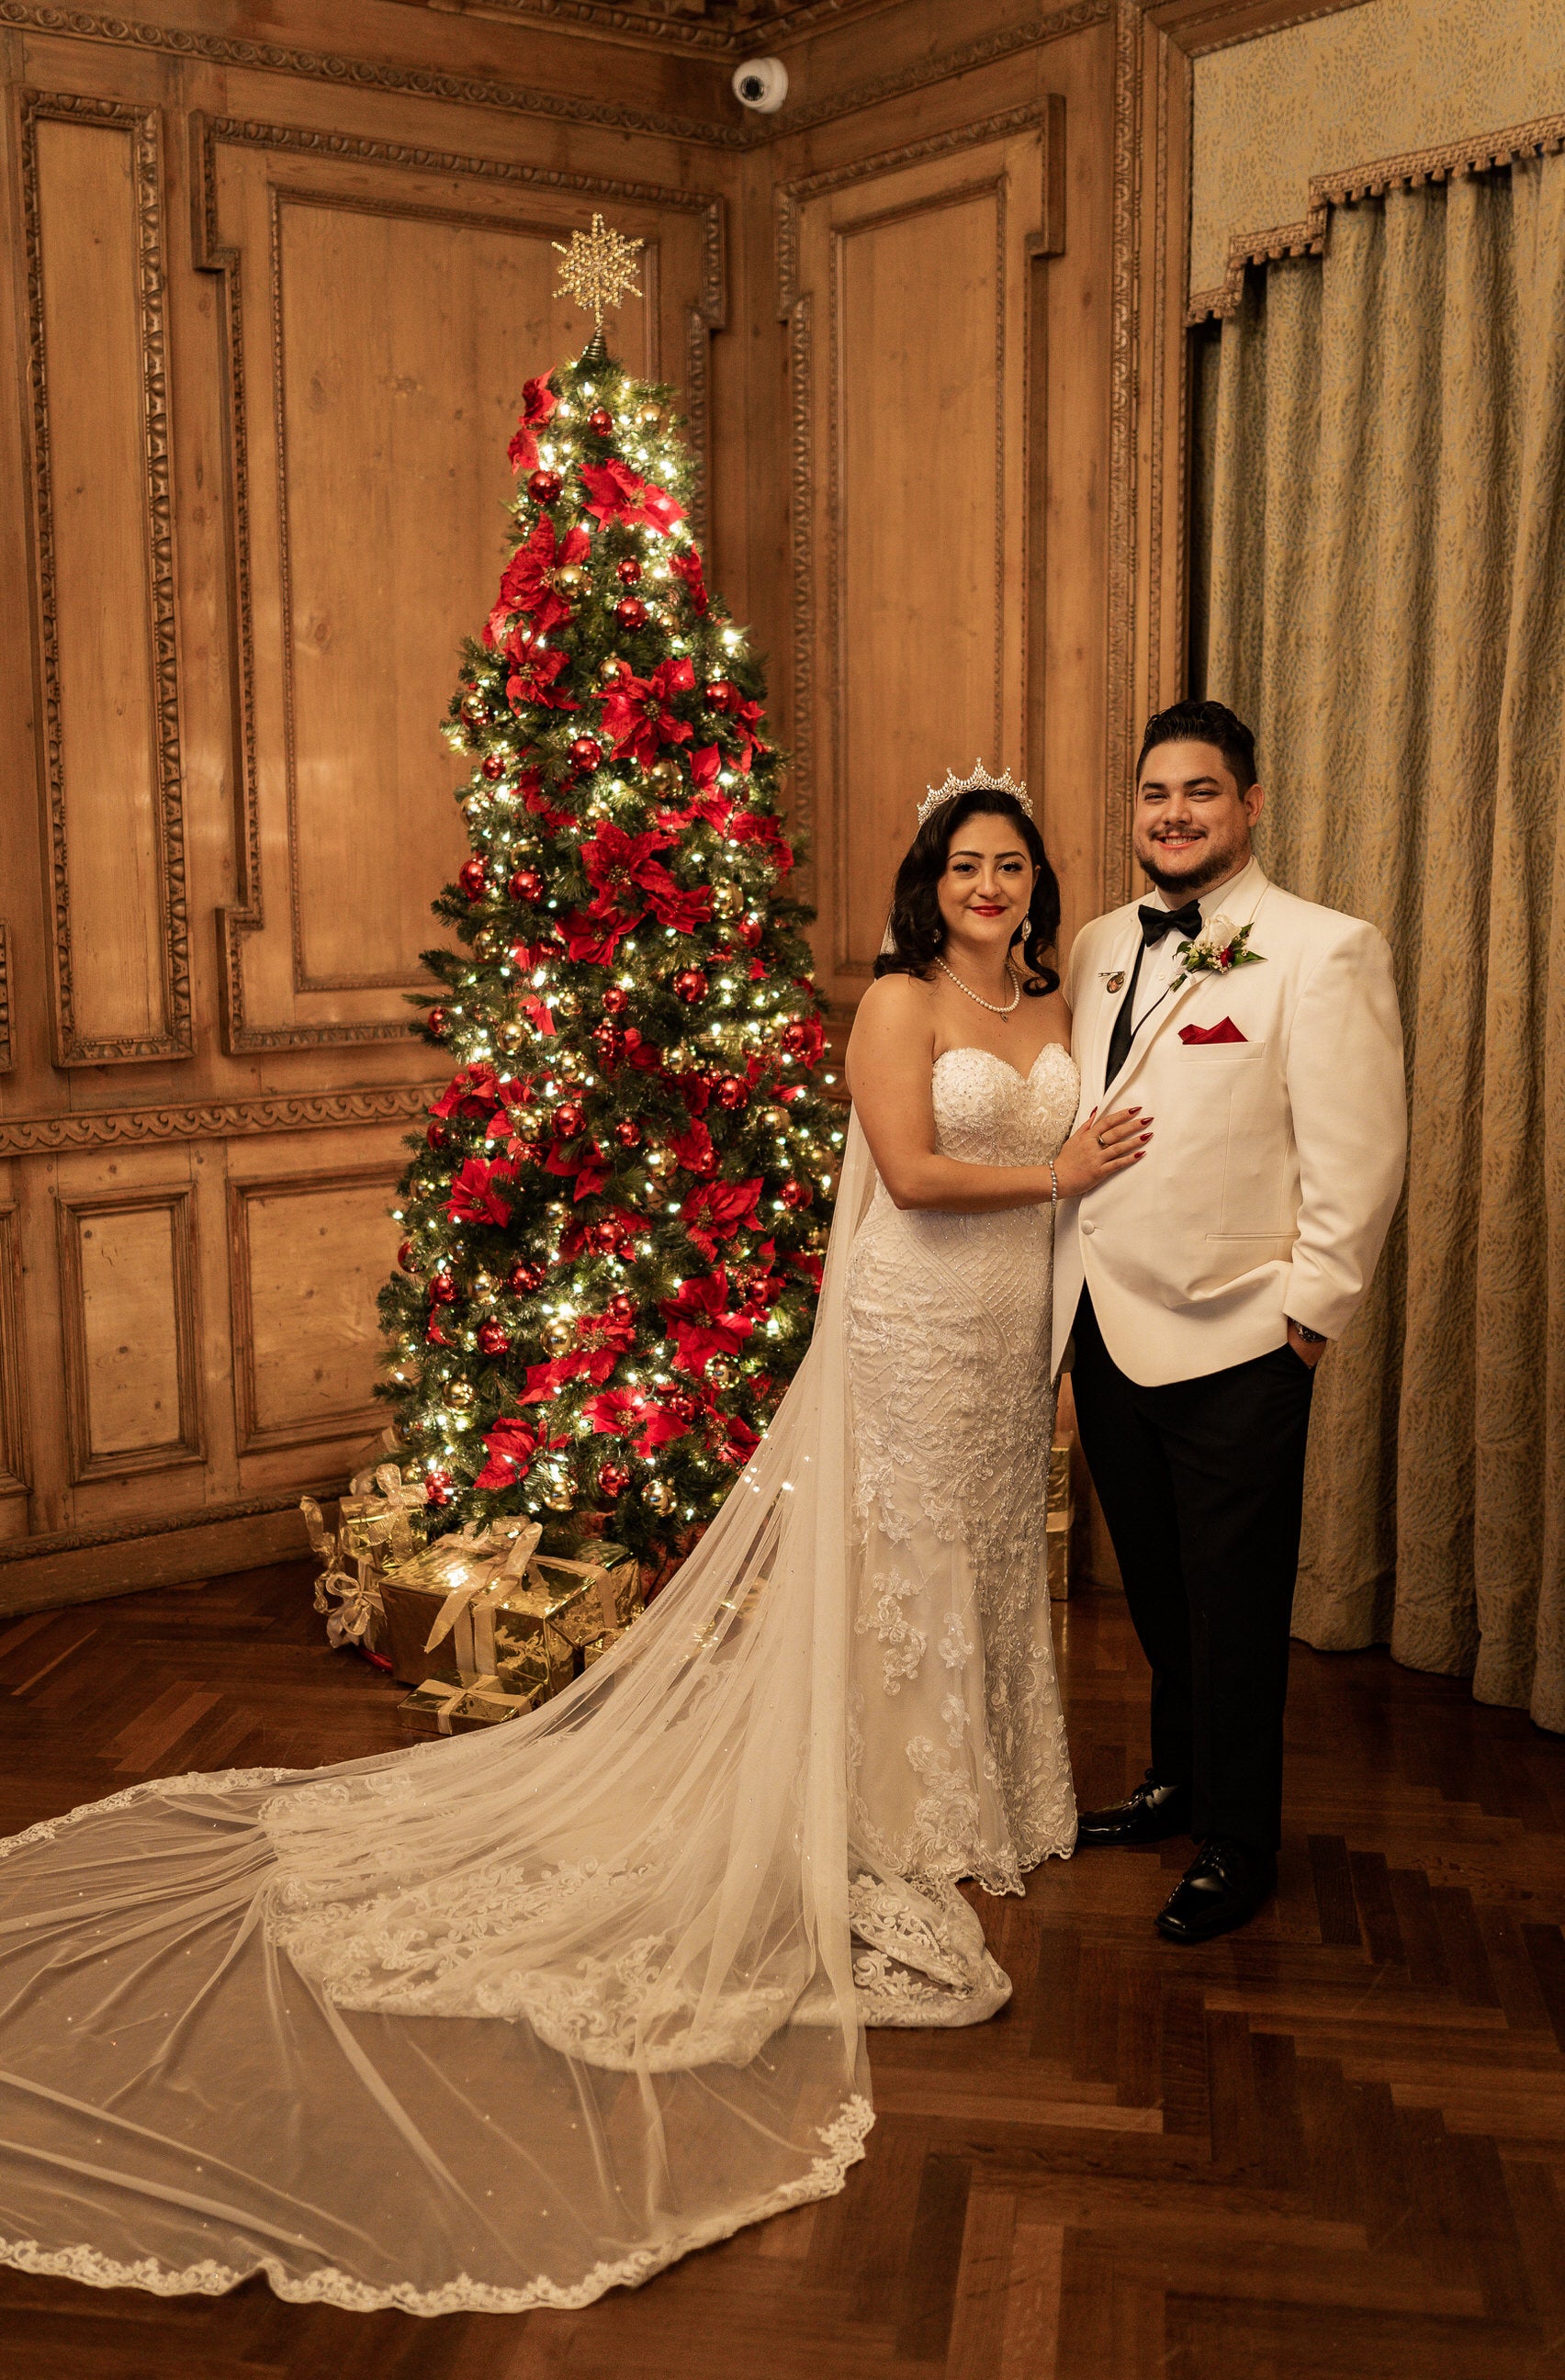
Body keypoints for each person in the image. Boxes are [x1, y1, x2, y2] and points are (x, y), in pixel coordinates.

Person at [0, 764, 1123, 2316]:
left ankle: (990, 1785)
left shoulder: (1060, 1005)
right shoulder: (898, 1004)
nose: (988, 888)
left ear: (1034, 885)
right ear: (928, 884)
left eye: (1008, 867)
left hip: (1009, 1340)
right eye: (963, 866)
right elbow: (919, 1181)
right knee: (907, 1568)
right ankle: (893, 1803)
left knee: (986, 1561)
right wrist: (1059, 1170)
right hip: (915, 1321)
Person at [1054, 700, 1406, 1942]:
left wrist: (1304, 1323)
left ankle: (1238, 1840)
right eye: (1155, 793)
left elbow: (1356, 1159)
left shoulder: (1324, 947)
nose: (1174, 813)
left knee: (1236, 1604)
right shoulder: (1097, 943)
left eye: (1200, 792)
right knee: (1157, 1587)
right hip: (1106, 1324)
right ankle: (1176, 1780)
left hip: (1244, 1337)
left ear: (1249, 805)